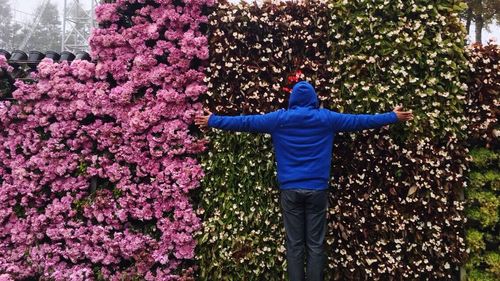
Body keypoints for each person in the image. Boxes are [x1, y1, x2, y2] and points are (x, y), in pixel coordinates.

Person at [195, 80, 413, 281]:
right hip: (317, 190)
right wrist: (392, 116)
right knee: (316, 244)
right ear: (314, 99)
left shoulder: (279, 119)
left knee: (295, 244)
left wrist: (213, 120)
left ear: (292, 100)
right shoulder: (327, 118)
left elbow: (246, 122)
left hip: (290, 190)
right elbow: (360, 120)